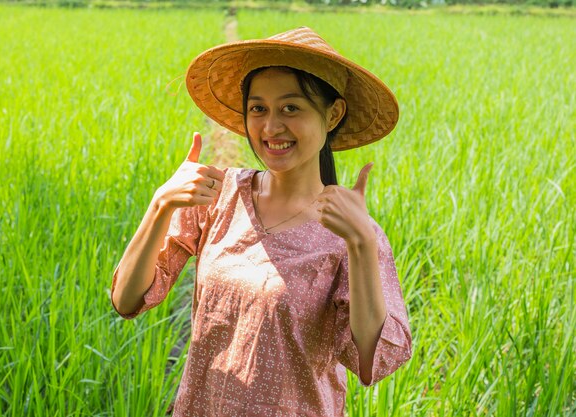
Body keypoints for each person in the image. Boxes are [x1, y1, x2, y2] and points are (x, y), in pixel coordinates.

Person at [111, 27, 412, 416]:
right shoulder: (219, 196)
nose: (271, 127)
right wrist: (160, 206)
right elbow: (126, 300)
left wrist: (361, 247)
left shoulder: (350, 232)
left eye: (291, 108)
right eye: (258, 109)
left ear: (333, 114)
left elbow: (373, 361)